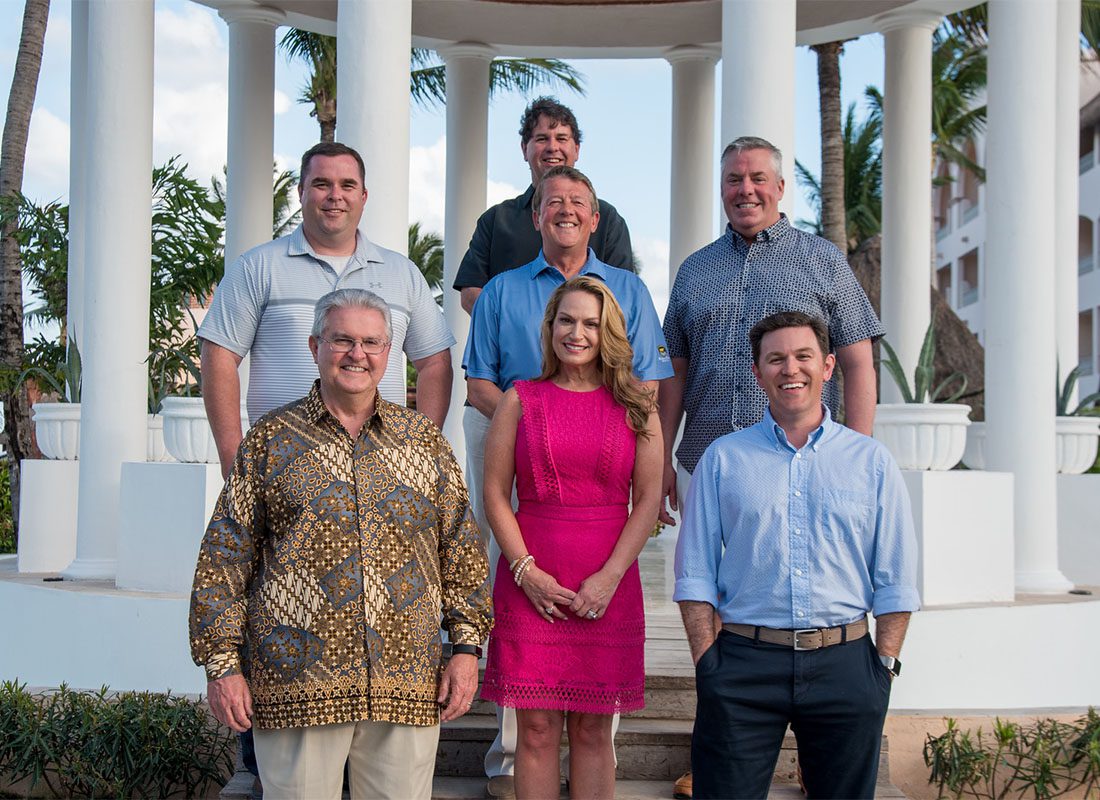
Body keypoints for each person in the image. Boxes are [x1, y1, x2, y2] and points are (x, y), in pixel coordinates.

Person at [189, 289, 492, 800]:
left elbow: (462, 555)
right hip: (295, 687)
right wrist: (222, 666)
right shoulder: (268, 441)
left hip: (407, 678)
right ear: (314, 347)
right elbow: (223, 559)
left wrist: (465, 650)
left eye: (372, 342)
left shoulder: (425, 443)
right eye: (342, 339)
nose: (358, 353)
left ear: (390, 352)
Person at [659, 135, 884, 798]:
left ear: (781, 188)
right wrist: (664, 455)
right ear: (722, 187)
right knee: (718, 608)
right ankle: (725, 760)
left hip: (807, 464)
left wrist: (856, 456)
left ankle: (823, 763)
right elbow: (674, 367)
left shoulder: (822, 260)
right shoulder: (695, 271)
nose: (745, 189)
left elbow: (859, 356)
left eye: (758, 177)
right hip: (711, 461)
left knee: (799, 600)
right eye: (733, 179)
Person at [463, 165, 671, 799]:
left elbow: (647, 502)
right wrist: (526, 571)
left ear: (608, 329)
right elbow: (497, 494)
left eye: (589, 323)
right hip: (534, 577)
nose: (576, 332)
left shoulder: (638, 406)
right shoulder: (521, 401)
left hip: (607, 578)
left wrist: (609, 576)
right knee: (535, 730)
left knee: (591, 732)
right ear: (549, 329)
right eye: (564, 322)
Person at [673, 311, 919, 800]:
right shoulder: (722, 459)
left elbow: (897, 577)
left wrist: (884, 665)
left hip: (846, 665)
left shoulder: (871, 463)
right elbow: (694, 573)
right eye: (776, 359)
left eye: (804, 357)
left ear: (827, 367)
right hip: (743, 664)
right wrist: (708, 661)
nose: (791, 369)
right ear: (757, 371)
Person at [199, 141, 454, 476]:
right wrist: (233, 459)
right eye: (322, 184)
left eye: (348, 185)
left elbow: (435, 362)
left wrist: (419, 448)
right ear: (301, 191)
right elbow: (218, 356)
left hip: (381, 468)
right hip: (282, 467)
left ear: (363, 197)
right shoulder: (257, 267)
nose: (336, 195)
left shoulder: (402, 273)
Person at [452, 96, 634, 316]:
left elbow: (622, 293)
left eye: (561, 138)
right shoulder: (496, 220)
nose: (552, 147)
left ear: (576, 149)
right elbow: (471, 291)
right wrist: (517, 327)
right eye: (541, 139)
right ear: (524, 149)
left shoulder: (607, 218)